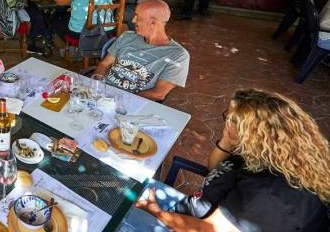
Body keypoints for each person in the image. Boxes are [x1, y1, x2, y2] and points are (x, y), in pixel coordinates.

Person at [131, 89, 330, 232]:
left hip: (189, 223)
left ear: (254, 133)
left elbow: (206, 229)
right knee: (127, 182)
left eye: (231, 119)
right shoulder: (264, 153)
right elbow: (216, 170)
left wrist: (153, 209)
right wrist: (227, 138)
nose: (224, 120)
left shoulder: (271, 195)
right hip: (190, 209)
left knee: (114, 205)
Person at [94, 0, 189, 102]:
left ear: (153, 22)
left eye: (137, 16)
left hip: (131, 101)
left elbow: (159, 94)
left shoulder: (177, 55)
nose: (133, 20)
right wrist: (96, 84)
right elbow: (104, 64)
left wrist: (119, 98)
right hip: (102, 94)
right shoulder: (127, 36)